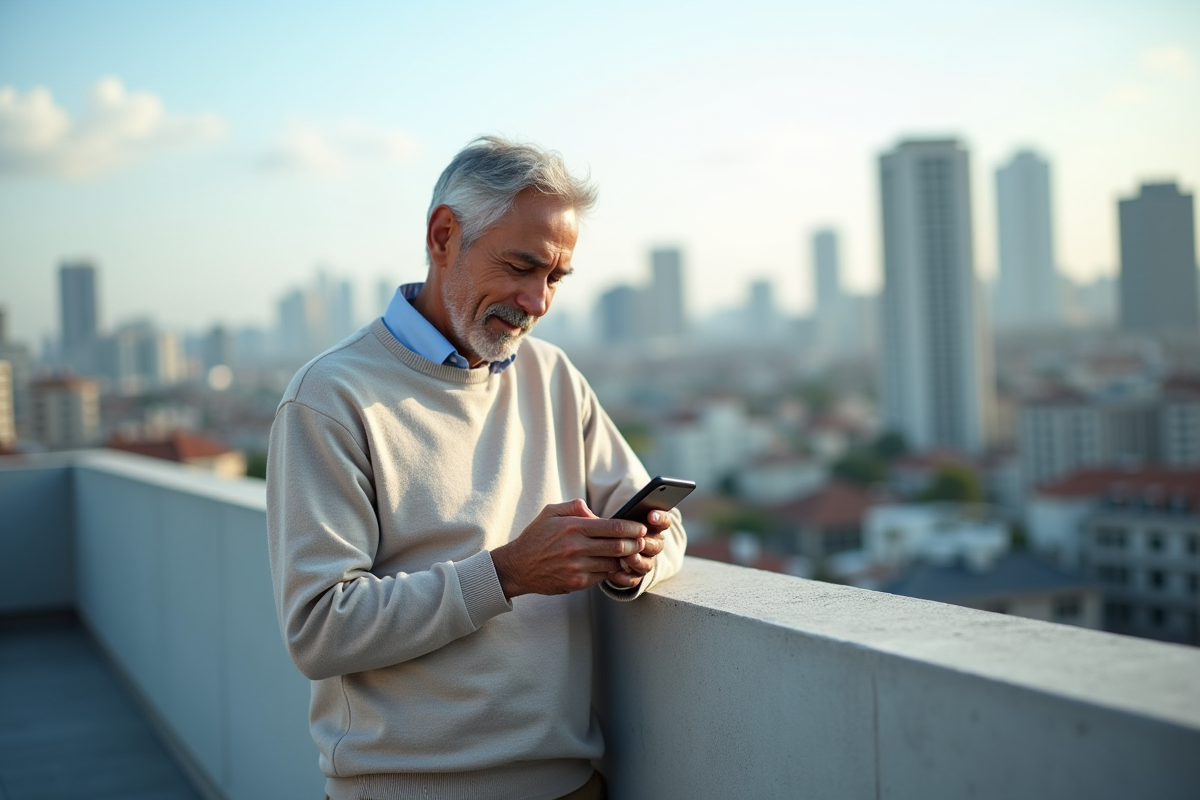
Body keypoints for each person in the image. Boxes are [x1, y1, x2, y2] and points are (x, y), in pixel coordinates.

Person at [266, 136, 687, 800]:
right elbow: (319, 630)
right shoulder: (330, 396)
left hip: (569, 786)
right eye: (521, 266)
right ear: (443, 237)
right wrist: (507, 573)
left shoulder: (553, 377)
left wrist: (637, 559)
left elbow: (665, 524)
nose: (538, 301)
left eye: (555, 278)